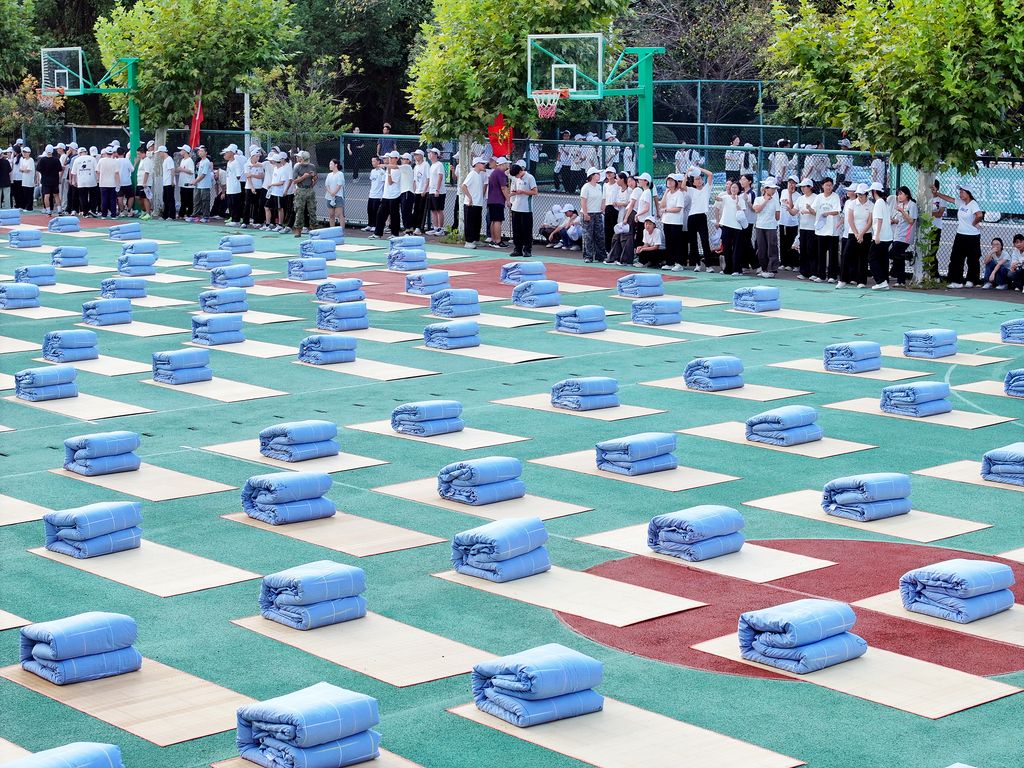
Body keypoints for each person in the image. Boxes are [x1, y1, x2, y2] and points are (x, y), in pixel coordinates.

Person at [933, 183, 982, 288]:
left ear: (969, 193)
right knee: (956, 258)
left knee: (972, 259)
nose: (960, 194)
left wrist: (974, 223)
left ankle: (971, 280)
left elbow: (979, 215)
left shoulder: (973, 204)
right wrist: (937, 193)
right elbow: (949, 199)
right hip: (960, 234)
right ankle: (956, 281)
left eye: (962, 192)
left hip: (972, 236)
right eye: (960, 192)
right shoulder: (961, 203)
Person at [838, 183, 873, 288]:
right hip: (853, 233)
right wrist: (857, 234)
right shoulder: (852, 204)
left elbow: (869, 222)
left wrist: (862, 234)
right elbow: (850, 219)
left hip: (866, 234)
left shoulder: (871, 205)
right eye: (858, 194)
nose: (859, 196)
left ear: (866, 194)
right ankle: (843, 280)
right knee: (846, 255)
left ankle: (861, 281)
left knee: (863, 257)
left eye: (861, 194)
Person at [812, 177, 842, 283]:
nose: (829, 187)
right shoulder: (819, 197)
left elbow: (837, 211)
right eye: (827, 185)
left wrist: (827, 213)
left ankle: (832, 276)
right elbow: (814, 210)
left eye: (830, 185)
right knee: (821, 254)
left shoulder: (835, 196)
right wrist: (809, 209)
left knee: (833, 254)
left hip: (832, 231)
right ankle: (821, 276)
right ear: (822, 186)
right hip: (821, 230)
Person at [888, 186, 918, 286]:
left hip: (906, 235)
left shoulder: (912, 205)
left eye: (901, 194)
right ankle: (900, 280)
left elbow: (911, 221)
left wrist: (902, 211)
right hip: (898, 234)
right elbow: (900, 220)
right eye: (898, 194)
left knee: (891, 254)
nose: (899, 196)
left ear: (907, 195)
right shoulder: (901, 205)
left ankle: (908, 255)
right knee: (898, 257)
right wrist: (893, 221)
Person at [867, 182, 894, 290]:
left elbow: (879, 219)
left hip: (881, 236)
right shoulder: (884, 202)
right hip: (887, 236)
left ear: (874, 192)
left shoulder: (878, 203)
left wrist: (877, 235)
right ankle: (884, 281)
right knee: (883, 259)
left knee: (872, 258)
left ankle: (880, 281)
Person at [508, 160, 537, 258]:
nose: (517, 177)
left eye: (517, 175)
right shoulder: (516, 179)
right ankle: (517, 249)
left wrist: (523, 192)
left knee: (526, 230)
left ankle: (527, 250)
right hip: (516, 207)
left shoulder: (530, 178)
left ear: (520, 171)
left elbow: (535, 192)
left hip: (526, 208)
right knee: (516, 230)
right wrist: (510, 195)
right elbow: (514, 191)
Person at [753, 178, 781, 277]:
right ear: (766, 189)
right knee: (761, 248)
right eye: (772, 188)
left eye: (774, 189)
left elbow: (778, 216)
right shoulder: (758, 199)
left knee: (772, 247)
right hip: (760, 226)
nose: (773, 190)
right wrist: (765, 201)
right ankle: (763, 268)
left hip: (771, 227)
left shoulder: (775, 201)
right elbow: (757, 209)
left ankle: (772, 270)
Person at [605, 172, 635, 266]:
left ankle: (626, 260)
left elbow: (631, 204)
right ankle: (614, 258)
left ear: (622, 179)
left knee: (625, 238)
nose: (616, 180)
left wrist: (621, 204)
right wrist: (616, 204)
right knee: (616, 237)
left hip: (627, 216)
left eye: (617, 178)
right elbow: (618, 204)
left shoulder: (629, 191)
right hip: (620, 216)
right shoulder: (618, 190)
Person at [659, 174, 687, 272]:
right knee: (669, 242)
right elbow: (662, 205)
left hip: (676, 222)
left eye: (671, 180)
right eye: (668, 180)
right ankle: (669, 263)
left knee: (677, 243)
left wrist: (666, 210)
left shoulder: (679, 194)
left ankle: (679, 263)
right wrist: (665, 193)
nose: (669, 182)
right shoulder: (668, 193)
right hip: (666, 221)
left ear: (675, 183)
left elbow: (678, 208)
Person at [372, 151, 402, 239]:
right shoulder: (388, 168)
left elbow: (390, 182)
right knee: (380, 214)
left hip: (394, 196)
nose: (390, 159)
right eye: (390, 158)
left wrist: (388, 170)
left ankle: (395, 234)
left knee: (394, 215)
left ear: (397, 159)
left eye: (392, 158)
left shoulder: (398, 170)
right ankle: (378, 233)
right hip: (386, 196)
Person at [716, 181, 744, 276]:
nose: (733, 189)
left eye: (735, 187)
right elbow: (719, 199)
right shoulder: (725, 197)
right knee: (726, 248)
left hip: (737, 227)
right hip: (726, 225)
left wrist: (738, 207)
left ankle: (737, 270)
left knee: (736, 249)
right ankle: (728, 269)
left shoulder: (741, 199)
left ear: (739, 189)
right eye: (732, 187)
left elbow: (742, 211)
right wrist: (716, 198)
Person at [579, 167, 606, 263]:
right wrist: (585, 214)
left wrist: (602, 208)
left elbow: (601, 199)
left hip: (597, 213)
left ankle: (601, 256)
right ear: (592, 176)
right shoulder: (586, 187)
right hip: (588, 214)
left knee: (600, 235)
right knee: (588, 236)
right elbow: (583, 201)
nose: (599, 175)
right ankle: (588, 256)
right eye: (597, 174)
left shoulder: (599, 186)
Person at [459, 156, 486, 249]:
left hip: (478, 203)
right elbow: (463, 186)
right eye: (482, 163)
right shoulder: (472, 174)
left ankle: (475, 239)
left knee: (477, 223)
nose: (484, 165)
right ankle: (469, 242)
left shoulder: (479, 175)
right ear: (477, 164)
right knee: (470, 223)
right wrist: (469, 197)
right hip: (470, 204)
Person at [291, 150, 318, 236]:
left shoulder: (312, 166)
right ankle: (298, 229)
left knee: (312, 210)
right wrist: (303, 177)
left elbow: (315, 179)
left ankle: (314, 229)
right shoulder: (297, 167)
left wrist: (314, 176)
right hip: (301, 190)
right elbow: (294, 181)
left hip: (309, 189)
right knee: (299, 210)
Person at [795, 178, 818, 279]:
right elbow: (794, 211)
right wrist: (788, 208)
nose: (802, 188)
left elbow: (817, 213)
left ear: (810, 187)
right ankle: (804, 272)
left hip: (813, 229)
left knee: (811, 250)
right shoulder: (800, 198)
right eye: (801, 187)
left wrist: (809, 210)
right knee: (803, 250)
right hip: (803, 228)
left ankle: (814, 273)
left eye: (804, 186)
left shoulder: (816, 197)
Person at [486, 156, 510, 248]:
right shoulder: (500, 173)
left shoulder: (494, 172)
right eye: (506, 164)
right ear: (502, 164)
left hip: (492, 200)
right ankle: (498, 241)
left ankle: (493, 240)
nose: (508, 165)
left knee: (493, 220)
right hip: (497, 200)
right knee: (497, 221)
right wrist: (508, 199)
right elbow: (503, 187)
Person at [778, 175, 800, 271]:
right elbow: (783, 203)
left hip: (792, 222)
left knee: (792, 242)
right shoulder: (783, 192)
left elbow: (791, 207)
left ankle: (793, 263)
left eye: (793, 183)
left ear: (796, 185)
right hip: (783, 221)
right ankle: (784, 262)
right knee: (783, 242)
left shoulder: (798, 196)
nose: (791, 185)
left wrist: (790, 195)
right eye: (789, 182)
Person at [241, 148, 265, 228]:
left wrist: (253, 175)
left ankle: (256, 221)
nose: (258, 158)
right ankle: (245, 222)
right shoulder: (246, 165)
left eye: (259, 156)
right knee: (247, 204)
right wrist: (252, 187)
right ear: (252, 156)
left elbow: (261, 176)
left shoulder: (260, 165)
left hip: (259, 187)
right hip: (249, 187)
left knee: (256, 205)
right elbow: (248, 176)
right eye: (256, 156)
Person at [738, 173, 757, 271]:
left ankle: (756, 265)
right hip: (741, 221)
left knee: (747, 242)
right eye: (741, 179)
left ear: (749, 181)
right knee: (742, 243)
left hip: (749, 221)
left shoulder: (752, 193)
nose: (742, 181)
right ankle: (744, 265)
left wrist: (747, 201)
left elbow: (754, 209)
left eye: (744, 179)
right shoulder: (740, 194)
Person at [37, 145, 62, 215]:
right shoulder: (56, 160)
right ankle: (59, 210)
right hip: (55, 180)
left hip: (45, 180)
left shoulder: (42, 160)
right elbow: (60, 169)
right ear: (52, 151)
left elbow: (38, 169)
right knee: (56, 195)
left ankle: (48, 211)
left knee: (46, 195)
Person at [427, 147, 446, 235]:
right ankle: (435, 228)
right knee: (433, 210)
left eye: (431, 153)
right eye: (429, 153)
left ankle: (440, 229)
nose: (429, 154)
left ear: (436, 155)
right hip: (431, 191)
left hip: (439, 191)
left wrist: (437, 190)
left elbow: (440, 177)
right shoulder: (432, 165)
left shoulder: (439, 165)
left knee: (439, 210)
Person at [96, 147, 119, 218]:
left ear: (105, 153)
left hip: (103, 183)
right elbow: (116, 173)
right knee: (113, 200)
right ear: (112, 153)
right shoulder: (115, 161)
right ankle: (113, 215)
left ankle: (104, 215)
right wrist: (118, 184)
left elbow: (97, 171)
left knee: (104, 199)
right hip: (112, 183)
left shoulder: (101, 161)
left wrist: (98, 179)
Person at [633, 172, 654, 248]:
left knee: (641, 240)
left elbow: (646, 208)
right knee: (639, 239)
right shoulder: (645, 192)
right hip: (641, 220)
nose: (639, 181)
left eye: (641, 180)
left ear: (646, 181)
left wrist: (637, 214)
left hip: (644, 221)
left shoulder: (647, 192)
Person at [193, 146, 213, 223]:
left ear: (206, 153)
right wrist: (196, 182)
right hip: (199, 185)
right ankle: (195, 216)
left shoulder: (206, 162)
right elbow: (199, 174)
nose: (200, 152)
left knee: (205, 201)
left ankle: (206, 217)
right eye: (199, 151)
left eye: (202, 151)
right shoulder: (201, 161)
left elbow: (203, 174)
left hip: (205, 185)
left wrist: (195, 181)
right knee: (197, 200)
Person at [411, 149, 429, 235]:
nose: (415, 157)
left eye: (417, 155)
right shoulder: (416, 166)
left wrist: (424, 190)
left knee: (421, 210)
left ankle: (419, 228)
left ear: (421, 156)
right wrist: (414, 191)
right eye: (414, 155)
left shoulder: (426, 165)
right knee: (416, 210)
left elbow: (428, 179)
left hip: (423, 192)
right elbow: (414, 180)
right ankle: (414, 227)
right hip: (417, 192)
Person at [365, 155, 384, 232]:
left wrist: (382, 195)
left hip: (378, 195)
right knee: (369, 210)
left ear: (378, 161)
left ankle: (375, 225)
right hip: (371, 194)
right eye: (372, 161)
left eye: (374, 161)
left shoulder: (382, 172)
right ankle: (370, 225)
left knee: (376, 211)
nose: (372, 163)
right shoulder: (372, 171)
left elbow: (384, 184)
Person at [137, 146, 156, 220]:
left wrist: (144, 183)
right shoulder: (142, 160)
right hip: (139, 182)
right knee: (138, 197)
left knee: (145, 198)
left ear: (143, 153)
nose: (138, 156)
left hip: (145, 183)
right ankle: (144, 211)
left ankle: (148, 213)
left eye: (139, 154)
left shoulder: (147, 160)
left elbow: (147, 172)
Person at [325, 158, 344, 228]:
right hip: (329, 197)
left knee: (339, 214)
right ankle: (332, 230)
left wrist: (334, 193)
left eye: (331, 164)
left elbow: (339, 184)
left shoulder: (340, 174)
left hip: (338, 196)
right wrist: (330, 192)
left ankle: (342, 231)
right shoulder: (329, 175)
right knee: (331, 215)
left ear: (336, 165)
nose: (329, 165)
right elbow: (327, 185)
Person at [398, 152, 415, 233]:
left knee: (406, 211)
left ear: (409, 161)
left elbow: (395, 166)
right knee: (404, 210)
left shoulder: (407, 167)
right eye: (402, 159)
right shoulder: (404, 168)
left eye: (404, 159)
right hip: (403, 192)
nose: (402, 160)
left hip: (407, 192)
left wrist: (383, 165)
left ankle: (408, 227)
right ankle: (409, 227)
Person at [602, 167, 618, 253]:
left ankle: (614, 249)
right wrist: (603, 209)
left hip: (615, 209)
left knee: (614, 229)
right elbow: (604, 198)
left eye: (610, 172)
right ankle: (607, 249)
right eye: (607, 173)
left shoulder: (618, 184)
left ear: (614, 174)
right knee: (607, 229)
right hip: (608, 209)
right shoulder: (605, 185)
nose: (608, 174)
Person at [116, 146, 135, 216]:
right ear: (124, 153)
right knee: (131, 196)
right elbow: (132, 170)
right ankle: (129, 210)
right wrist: (135, 163)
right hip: (127, 182)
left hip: (118, 182)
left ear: (117, 153)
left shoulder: (115, 161)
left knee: (120, 197)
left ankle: (122, 211)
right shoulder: (127, 160)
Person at [17, 146, 36, 210]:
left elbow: (28, 170)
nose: (24, 153)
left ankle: (29, 207)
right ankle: (24, 206)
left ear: (29, 153)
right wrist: (24, 169)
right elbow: (20, 169)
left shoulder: (31, 160)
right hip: (24, 180)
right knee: (24, 194)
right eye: (23, 152)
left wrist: (23, 169)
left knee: (29, 194)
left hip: (30, 181)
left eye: (26, 152)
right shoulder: (23, 160)